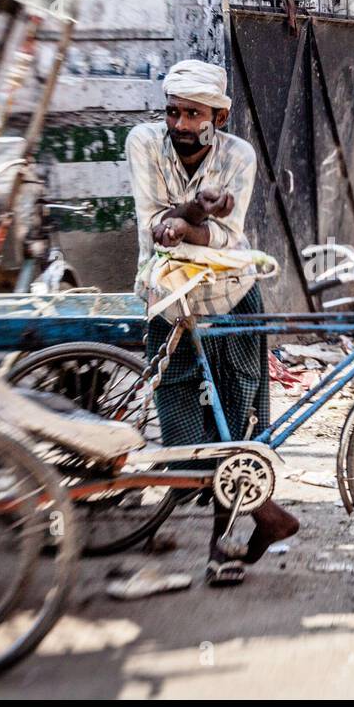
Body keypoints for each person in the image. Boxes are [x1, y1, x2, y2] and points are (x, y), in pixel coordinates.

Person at [126, 59, 298, 586]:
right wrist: (196, 213)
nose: (180, 124)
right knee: (183, 425)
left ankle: (222, 547)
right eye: (173, 112)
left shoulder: (239, 156)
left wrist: (196, 222)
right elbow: (155, 223)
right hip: (170, 303)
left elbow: (229, 240)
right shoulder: (144, 143)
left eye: (193, 114)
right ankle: (265, 515)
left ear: (219, 115)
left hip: (231, 296)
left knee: (240, 421)